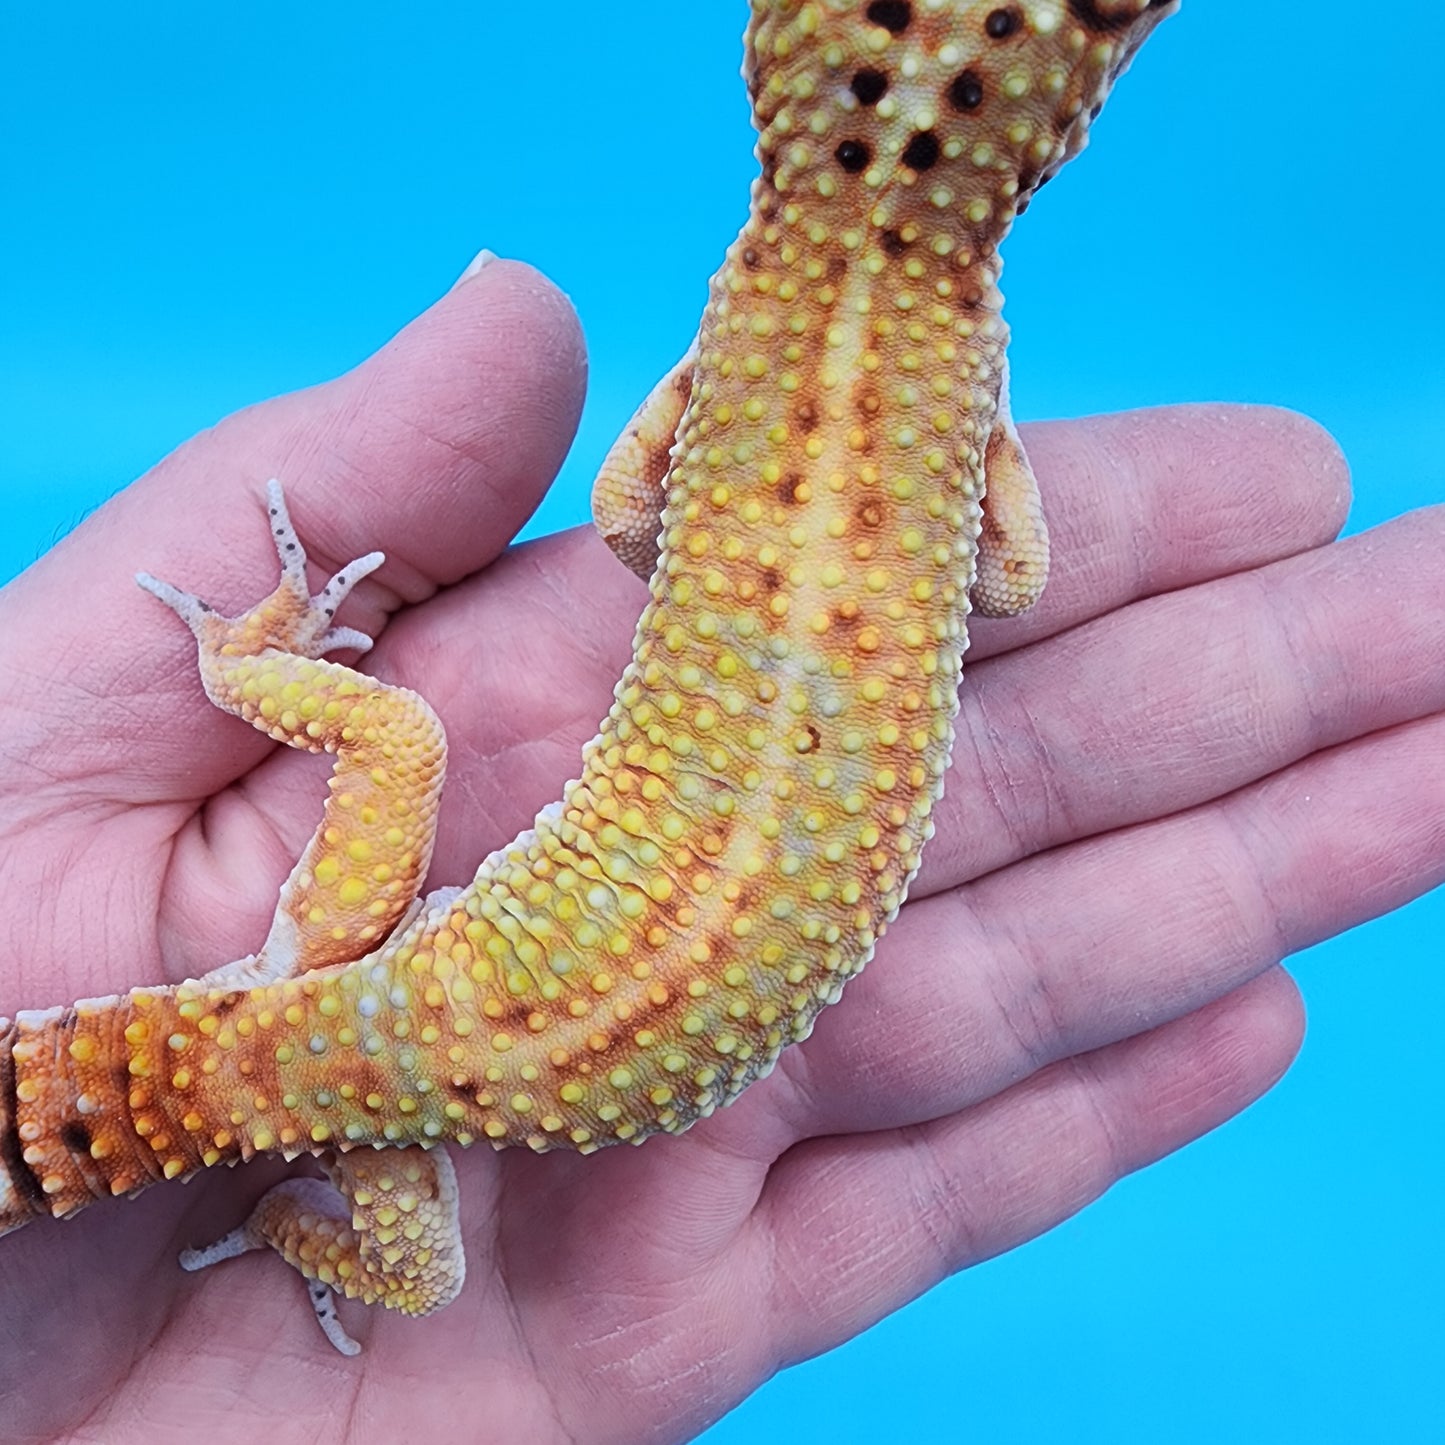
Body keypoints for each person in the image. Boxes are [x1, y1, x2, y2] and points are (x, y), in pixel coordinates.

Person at [1, 258, 1440, 1442]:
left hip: (351, 984)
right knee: (426, 1267)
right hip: (364, 1033)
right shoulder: (958, 546)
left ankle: (245, 662)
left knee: (402, 754)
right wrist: (283, 1209)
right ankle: (270, 1221)